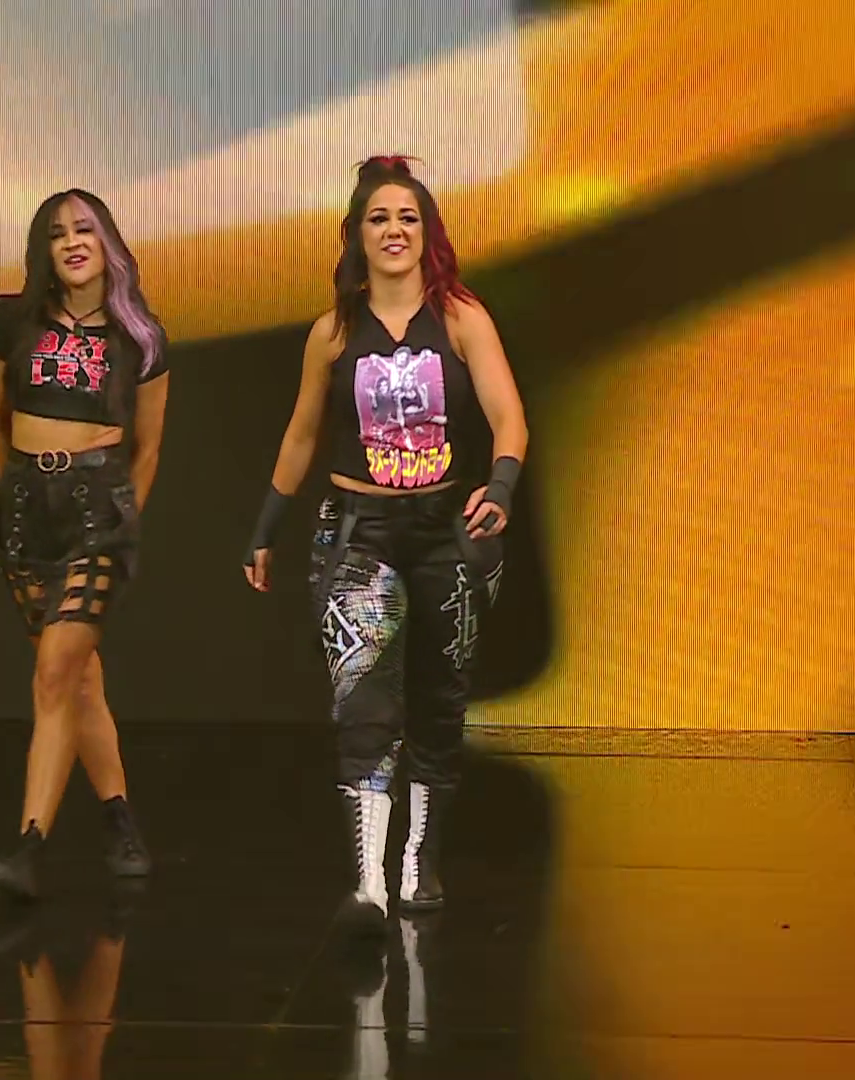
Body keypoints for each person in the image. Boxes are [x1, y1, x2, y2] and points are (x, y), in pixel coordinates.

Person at [244, 156, 529, 935]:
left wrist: (501, 486)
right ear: (358, 235)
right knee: (363, 703)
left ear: (427, 231)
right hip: (357, 532)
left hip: (443, 531)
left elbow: (508, 415)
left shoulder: (461, 317)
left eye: (408, 217)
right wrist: (267, 526)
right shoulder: (334, 332)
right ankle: (368, 879)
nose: (394, 230)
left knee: (439, 701)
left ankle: (417, 858)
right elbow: (301, 435)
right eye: (379, 218)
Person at [0, 188, 169, 900]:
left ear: (106, 240)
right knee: (79, 680)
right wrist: (15, 491)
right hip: (27, 510)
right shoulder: (10, 323)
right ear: (45, 251)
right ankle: (120, 819)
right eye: (57, 234)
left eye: (84, 229)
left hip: (99, 511)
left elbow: (148, 448)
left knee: (56, 672)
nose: (72, 243)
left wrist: (123, 519)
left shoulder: (139, 336)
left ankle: (28, 847)